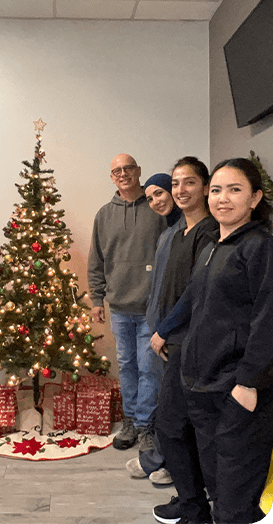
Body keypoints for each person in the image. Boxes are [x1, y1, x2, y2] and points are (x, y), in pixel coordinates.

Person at [154, 158, 273, 524]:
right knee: (218, 488)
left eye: (235, 190)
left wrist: (248, 384)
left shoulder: (260, 247)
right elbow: (192, 299)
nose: (223, 198)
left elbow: (268, 320)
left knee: (236, 500)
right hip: (202, 388)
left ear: (254, 198)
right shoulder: (212, 247)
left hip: (236, 390)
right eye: (218, 190)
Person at [87, 154, 167, 450]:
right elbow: (96, 260)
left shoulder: (158, 208)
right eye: (117, 171)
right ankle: (130, 421)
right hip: (119, 308)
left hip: (150, 309)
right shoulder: (104, 215)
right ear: (112, 177)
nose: (123, 174)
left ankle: (146, 425)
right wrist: (97, 299)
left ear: (138, 171)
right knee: (127, 367)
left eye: (128, 168)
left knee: (149, 368)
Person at [125, 172, 184, 484]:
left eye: (161, 192)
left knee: (172, 403)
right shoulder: (170, 230)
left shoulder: (190, 231)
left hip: (176, 330)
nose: (157, 200)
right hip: (163, 326)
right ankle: (158, 459)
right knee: (169, 400)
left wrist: (164, 329)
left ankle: (167, 463)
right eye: (150, 197)